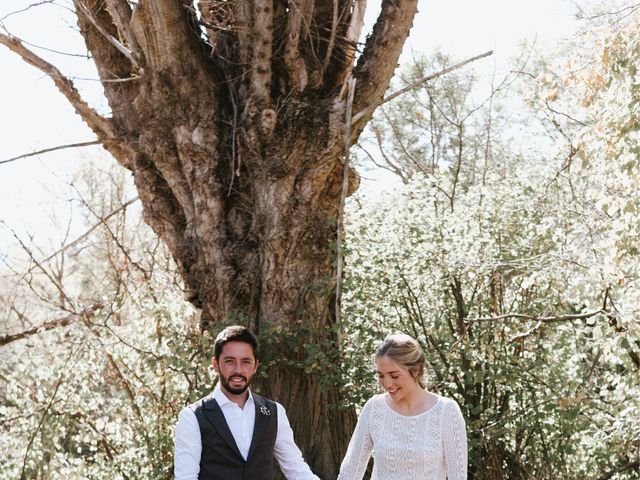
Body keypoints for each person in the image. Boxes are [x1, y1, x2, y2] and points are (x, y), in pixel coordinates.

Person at [174, 325, 320, 480]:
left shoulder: (274, 412)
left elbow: (296, 469)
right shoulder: (192, 417)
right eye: (230, 361)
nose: (238, 370)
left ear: (255, 366)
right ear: (216, 364)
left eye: (245, 362)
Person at [337, 333, 468, 480]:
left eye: (394, 375)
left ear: (416, 369)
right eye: (381, 375)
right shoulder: (374, 408)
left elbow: (458, 476)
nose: (387, 384)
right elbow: (350, 471)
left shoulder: (446, 411)